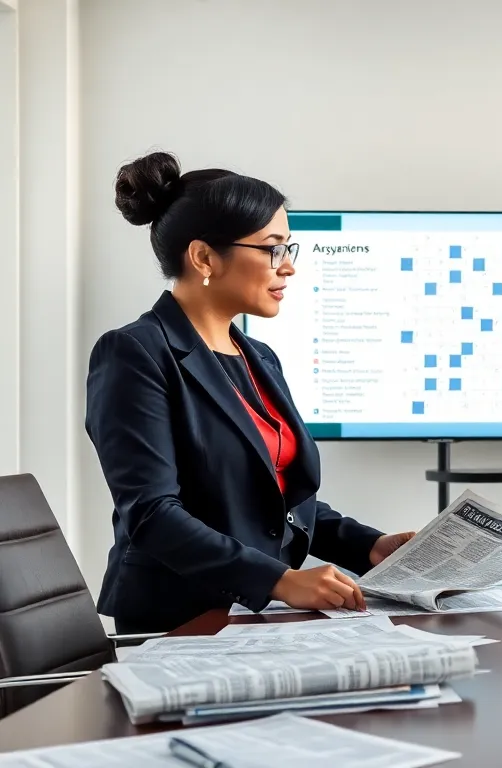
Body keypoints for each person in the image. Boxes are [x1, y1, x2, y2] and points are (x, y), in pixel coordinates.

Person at [86, 151, 416, 632]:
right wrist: (281, 580)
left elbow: (272, 500)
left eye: (289, 249)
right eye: (272, 249)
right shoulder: (133, 353)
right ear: (204, 257)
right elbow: (153, 515)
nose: (288, 268)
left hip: (257, 617)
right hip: (181, 620)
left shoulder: (258, 356)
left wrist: (367, 546)